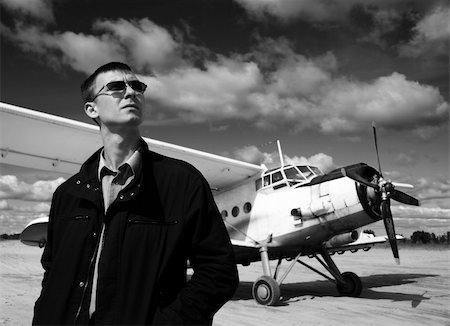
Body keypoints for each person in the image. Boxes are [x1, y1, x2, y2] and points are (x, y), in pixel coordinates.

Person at [32, 62, 239, 325]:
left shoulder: (184, 181)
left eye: (137, 86)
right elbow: (52, 269)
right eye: (116, 87)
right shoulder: (67, 193)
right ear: (91, 108)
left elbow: (218, 272)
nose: (131, 92)